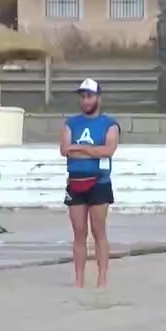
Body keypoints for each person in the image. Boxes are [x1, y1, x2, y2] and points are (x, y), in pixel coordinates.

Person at [61, 78, 120, 289]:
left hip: (99, 182)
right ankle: (79, 279)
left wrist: (80, 148)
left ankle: (102, 279)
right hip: (75, 182)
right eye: (83, 96)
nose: (86, 100)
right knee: (78, 232)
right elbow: (65, 149)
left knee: (98, 231)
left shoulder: (109, 124)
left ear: (98, 98)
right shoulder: (71, 123)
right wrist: (90, 151)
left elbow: (107, 151)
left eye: (90, 96)